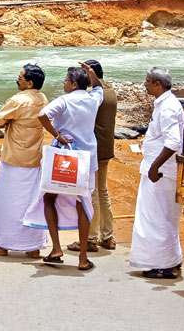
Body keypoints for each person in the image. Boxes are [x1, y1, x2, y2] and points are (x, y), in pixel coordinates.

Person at [26, 66, 98, 271]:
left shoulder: (64, 100)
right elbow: (99, 87)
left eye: (66, 80)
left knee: (49, 198)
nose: (63, 83)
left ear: (73, 84)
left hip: (64, 156)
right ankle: (83, 257)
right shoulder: (93, 99)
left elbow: (42, 115)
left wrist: (57, 134)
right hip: (86, 158)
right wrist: (91, 74)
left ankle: (57, 248)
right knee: (82, 203)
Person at [0, 63, 48, 257]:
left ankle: (2, 245)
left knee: (7, 203)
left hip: (14, 158)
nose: (17, 79)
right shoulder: (42, 98)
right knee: (32, 201)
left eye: (20, 77)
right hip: (34, 158)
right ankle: (33, 246)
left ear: (29, 82)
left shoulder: (19, 100)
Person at [129, 67, 184, 279]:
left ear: (157, 84)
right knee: (161, 217)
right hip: (159, 170)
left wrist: (155, 167)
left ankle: (164, 264)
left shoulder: (168, 108)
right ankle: (169, 260)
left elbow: (173, 141)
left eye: (147, 81)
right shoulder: (164, 104)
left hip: (161, 173)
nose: (144, 85)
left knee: (158, 218)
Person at [70, 59, 117, 253]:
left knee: (93, 193)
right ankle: (107, 235)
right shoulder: (111, 92)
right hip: (107, 148)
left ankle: (90, 237)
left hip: (95, 149)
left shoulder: (94, 97)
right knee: (102, 191)